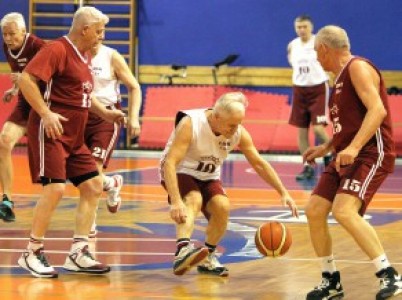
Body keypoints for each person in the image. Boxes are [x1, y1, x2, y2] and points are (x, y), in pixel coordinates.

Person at [16, 6, 125, 278]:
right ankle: (32, 252)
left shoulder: (85, 56)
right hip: (52, 131)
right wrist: (45, 112)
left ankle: (78, 252)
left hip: (75, 137)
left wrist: (105, 113)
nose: (102, 36)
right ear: (85, 29)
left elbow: (85, 96)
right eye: (99, 31)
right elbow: (26, 79)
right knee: (55, 190)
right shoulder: (57, 50)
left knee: (93, 185)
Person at [303, 25, 402, 300]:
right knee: (314, 210)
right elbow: (348, 125)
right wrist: (325, 146)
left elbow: (378, 110)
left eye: (316, 52)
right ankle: (331, 281)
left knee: (344, 211)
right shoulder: (336, 81)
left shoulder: (357, 67)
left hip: (371, 152)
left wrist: (355, 147)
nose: (316, 59)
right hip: (344, 153)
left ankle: (389, 276)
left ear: (325, 49)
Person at [159, 92, 299, 276]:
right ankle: (182, 251)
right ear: (216, 117)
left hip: (208, 175)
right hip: (179, 169)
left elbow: (259, 163)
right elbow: (170, 162)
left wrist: (283, 192)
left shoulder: (237, 132)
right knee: (194, 198)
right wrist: (176, 201)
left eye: (239, 124)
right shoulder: (191, 124)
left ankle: (208, 256)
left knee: (222, 206)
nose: (235, 130)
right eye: (232, 125)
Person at [86, 41, 142, 236]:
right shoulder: (74, 52)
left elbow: (134, 87)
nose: (99, 36)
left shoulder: (111, 56)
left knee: (92, 172)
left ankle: (89, 223)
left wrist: (133, 118)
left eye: (101, 32)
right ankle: (112, 184)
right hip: (79, 116)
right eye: (96, 31)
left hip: (106, 118)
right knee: (79, 174)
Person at [0, 13, 45, 222]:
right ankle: (6, 200)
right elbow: (20, 73)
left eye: (12, 34)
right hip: (26, 102)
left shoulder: (38, 45)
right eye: (5, 34)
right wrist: (15, 88)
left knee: (64, 160)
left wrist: (26, 79)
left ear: (24, 31)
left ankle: (106, 184)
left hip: (45, 104)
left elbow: (52, 74)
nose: (8, 38)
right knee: (4, 141)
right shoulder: (8, 48)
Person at [287, 15, 330, 181]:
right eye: (298, 27)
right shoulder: (293, 45)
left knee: (319, 128)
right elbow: (293, 64)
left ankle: (331, 153)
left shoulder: (319, 43)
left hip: (318, 87)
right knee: (301, 131)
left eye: (304, 26)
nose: (301, 30)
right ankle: (308, 166)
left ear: (311, 27)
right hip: (299, 89)